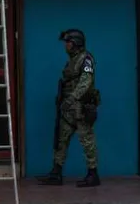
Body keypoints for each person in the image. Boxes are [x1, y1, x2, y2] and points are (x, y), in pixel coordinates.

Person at [37, 29, 102, 187]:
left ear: (76, 43)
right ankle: (56, 173)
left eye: (68, 42)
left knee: (87, 140)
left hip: (80, 108)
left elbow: (85, 82)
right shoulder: (72, 60)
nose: (66, 45)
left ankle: (93, 175)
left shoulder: (86, 59)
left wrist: (72, 98)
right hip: (68, 109)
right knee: (61, 140)